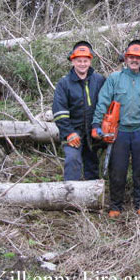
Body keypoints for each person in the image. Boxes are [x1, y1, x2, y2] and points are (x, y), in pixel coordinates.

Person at [92, 39, 140, 218]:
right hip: (120, 131)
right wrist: (96, 125)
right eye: (130, 57)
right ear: (125, 57)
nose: (134, 60)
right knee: (118, 170)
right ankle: (115, 205)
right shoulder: (115, 79)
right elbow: (103, 102)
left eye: (137, 58)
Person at [53, 41, 106, 181]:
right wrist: (69, 133)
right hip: (73, 131)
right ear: (72, 61)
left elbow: (106, 103)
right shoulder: (64, 83)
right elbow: (59, 112)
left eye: (85, 60)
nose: (82, 64)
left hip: (93, 131)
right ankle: (71, 196)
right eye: (79, 61)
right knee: (72, 160)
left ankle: (92, 195)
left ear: (90, 60)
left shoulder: (99, 80)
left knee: (92, 163)